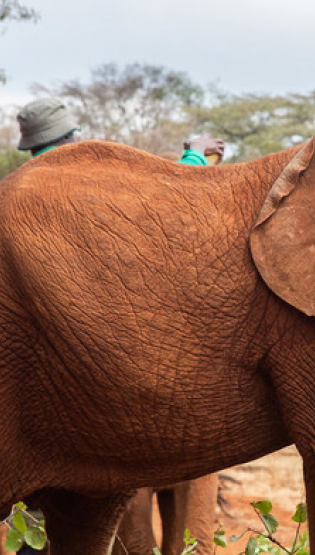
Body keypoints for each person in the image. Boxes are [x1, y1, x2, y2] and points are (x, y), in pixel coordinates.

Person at [12, 97, 224, 554]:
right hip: (139, 393)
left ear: (30, 146)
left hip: (51, 413)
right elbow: (173, 205)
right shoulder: (91, 188)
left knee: (59, 530)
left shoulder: (20, 198)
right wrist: (195, 157)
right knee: (184, 539)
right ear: (74, 138)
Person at [16, 96, 224, 164]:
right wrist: (196, 152)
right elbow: (164, 194)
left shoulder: (14, 186)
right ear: (67, 137)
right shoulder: (79, 173)